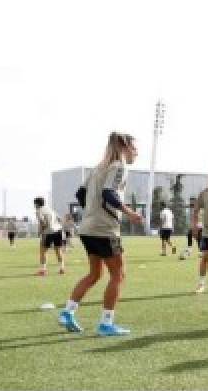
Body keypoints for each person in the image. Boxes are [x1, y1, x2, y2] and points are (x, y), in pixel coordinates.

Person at [59, 131, 145, 336]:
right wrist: (129, 212)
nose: (136, 153)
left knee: (95, 274)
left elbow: (80, 193)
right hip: (104, 229)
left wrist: (91, 211)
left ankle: (68, 312)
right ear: (124, 147)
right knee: (119, 274)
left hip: (88, 228)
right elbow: (109, 193)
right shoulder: (119, 166)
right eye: (134, 149)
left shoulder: (99, 167)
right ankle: (106, 324)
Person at [33, 197, 66, 276]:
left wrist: (41, 232)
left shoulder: (39, 211)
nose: (34, 205)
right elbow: (60, 219)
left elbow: (43, 223)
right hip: (58, 230)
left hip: (48, 232)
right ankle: (62, 268)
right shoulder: (49, 209)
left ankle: (43, 270)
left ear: (37, 204)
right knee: (58, 250)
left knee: (43, 251)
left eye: (34, 204)